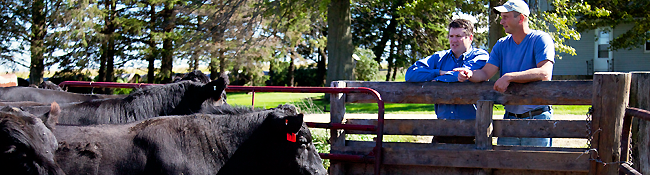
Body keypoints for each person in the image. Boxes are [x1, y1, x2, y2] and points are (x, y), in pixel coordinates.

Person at [454, 0, 555, 147]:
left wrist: (509, 77)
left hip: (537, 117)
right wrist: (469, 74)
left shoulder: (540, 39)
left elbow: (545, 73)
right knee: (506, 167)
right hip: (509, 118)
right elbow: (485, 73)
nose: (501, 22)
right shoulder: (501, 44)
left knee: (537, 167)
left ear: (520, 18)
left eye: (505, 17)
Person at [405, 19, 489, 144]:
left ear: (470, 37)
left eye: (458, 36)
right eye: (451, 36)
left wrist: (437, 80)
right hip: (442, 128)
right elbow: (411, 74)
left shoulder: (480, 56)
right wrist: (438, 72)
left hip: (471, 130)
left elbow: (462, 74)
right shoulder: (439, 57)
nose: (453, 40)